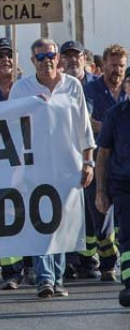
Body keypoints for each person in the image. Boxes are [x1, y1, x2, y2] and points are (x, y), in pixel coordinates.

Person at [10, 38, 96, 299]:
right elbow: (8, 126)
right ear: (32, 60)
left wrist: (88, 161)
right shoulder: (21, 88)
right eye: (41, 56)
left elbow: (84, 127)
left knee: (62, 224)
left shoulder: (72, 87)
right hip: (34, 168)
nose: (47, 60)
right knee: (40, 224)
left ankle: (58, 278)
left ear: (58, 58)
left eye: (51, 55)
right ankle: (45, 278)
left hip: (67, 167)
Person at [80, 44, 127, 280]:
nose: (116, 70)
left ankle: (114, 261)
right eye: (112, 65)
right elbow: (86, 119)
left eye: (121, 65)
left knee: (124, 220)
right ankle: (108, 258)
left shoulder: (128, 90)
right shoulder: (91, 89)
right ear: (103, 65)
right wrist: (113, 127)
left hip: (124, 166)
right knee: (100, 217)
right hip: (98, 161)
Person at [94, 65, 130, 307]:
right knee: (127, 235)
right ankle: (129, 284)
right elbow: (103, 154)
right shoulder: (116, 114)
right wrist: (100, 190)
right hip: (124, 185)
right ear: (126, 86)